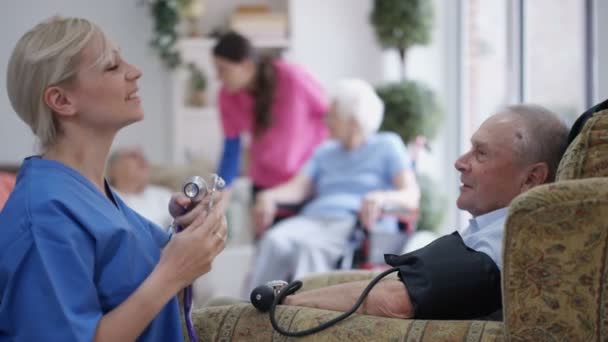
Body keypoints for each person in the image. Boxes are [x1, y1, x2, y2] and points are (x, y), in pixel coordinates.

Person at [0, 17, 227, 341]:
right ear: (62, 100)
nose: (135, 71)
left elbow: (146, 298)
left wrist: (189, 235)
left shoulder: (92, 194)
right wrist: (172, 272)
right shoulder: (45, 217)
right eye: (111, 66)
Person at [282, 104, 570, 320]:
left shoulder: (506, 243)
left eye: (481, 153)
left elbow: (396, 300)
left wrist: (287, 306)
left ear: (532, 178)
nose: (460, 162)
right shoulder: (490, 229)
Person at [248, 79, 420, 291]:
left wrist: (382, 197)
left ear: (354, 121)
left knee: (311, 248)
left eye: (334, 115)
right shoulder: (325, 151)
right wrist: (269, 196)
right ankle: (252, 308)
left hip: (355, 223)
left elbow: (411, 194)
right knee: (274, 240)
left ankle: (300, 316)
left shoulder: (387, 145)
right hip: (314, 219)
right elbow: (299, 188)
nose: (326, 119)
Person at [213, 31, 329, 197]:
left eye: (223, 69)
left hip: (304, 180)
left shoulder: (292, 77)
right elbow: (232, 149)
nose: (218, 77)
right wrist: (221, 191)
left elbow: (329, 115)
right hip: (264, 183)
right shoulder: (227, 96)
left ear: (247, 65)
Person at [107, 146, 173, 228]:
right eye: (133, 156)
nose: (142, 159)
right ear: (114, 169)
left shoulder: (164, 195)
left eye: (143, 156)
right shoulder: (105, 198)